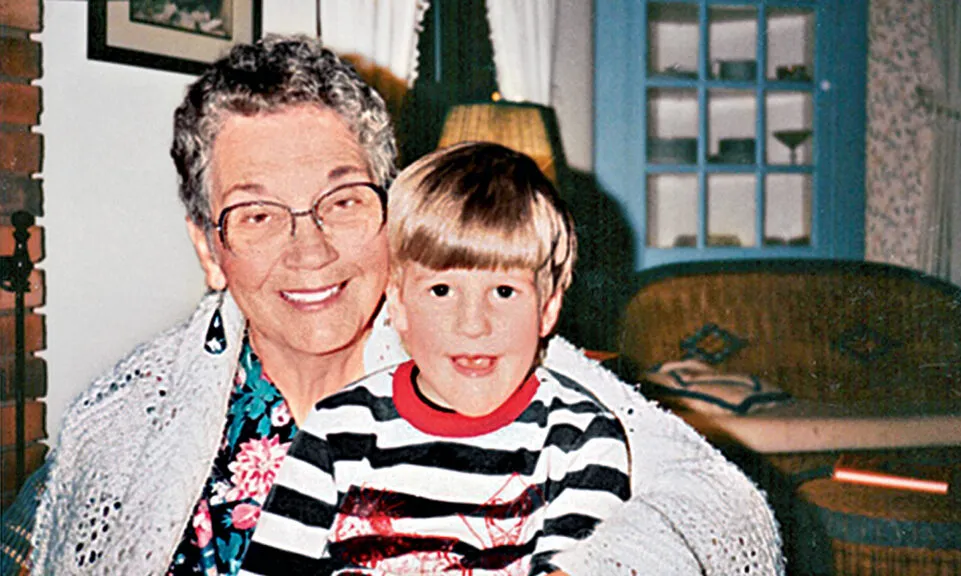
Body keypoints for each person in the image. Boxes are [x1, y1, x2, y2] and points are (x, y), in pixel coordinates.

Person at [17, 35, 783, 575]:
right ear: (208, 249)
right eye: (256, 214)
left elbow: (723, 514)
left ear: (395, 214)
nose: (307, 248)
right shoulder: (130, 415)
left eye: (342, 201)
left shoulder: (492, 364)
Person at [241, 142, 632, 575]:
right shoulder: (339, 427)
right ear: (400, 305)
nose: (473, 325)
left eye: (504, 292)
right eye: (441, 291)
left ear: (547, 308)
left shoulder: (579, 438)